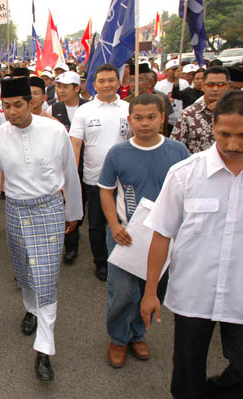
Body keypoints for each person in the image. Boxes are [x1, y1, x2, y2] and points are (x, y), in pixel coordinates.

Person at [141, 91, 243, 399]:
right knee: (187, 370)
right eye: (225, 134)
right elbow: (161, 234)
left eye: (242, 135)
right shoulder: (186, 174)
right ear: (213, 127)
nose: (233, 144)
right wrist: (150, 292)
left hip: (239, 292)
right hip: (195, 292)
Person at [0, 77, 82, 382]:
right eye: (6, 106)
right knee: (24, 273)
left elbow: (70, 173)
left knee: (47, 277)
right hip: (15, 210)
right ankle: (31, 309)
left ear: (31, 102)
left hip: (49, 208)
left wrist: (73, 212)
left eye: (18, 105)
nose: (12, 112)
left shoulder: (54, 131)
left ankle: (44, 350)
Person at [97, 94, 189, 369]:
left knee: (153, 290)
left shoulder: (178, 151)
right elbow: (106, 191)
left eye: (151, 117)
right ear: (130, 120)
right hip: (125, 234)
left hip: (163, 237)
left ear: (163, 118)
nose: (145, 123)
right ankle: (118, 337)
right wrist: (114, 225)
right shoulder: (117, 152)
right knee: (123, 292)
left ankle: (138, 333)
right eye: (138, 118)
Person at [69, 64, 131, 281]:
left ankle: (122, 260)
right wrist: (72, 177)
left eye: (111, 80)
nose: (107, 85)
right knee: (96, 224)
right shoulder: (84, 111)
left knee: (125, 221)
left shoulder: (128, 108)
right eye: (102, 81)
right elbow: (75, 144)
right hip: (94, 178)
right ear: (94, 84)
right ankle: (101, 262)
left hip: (124, 180)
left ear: (118, 82)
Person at [52, 71, 90, 264]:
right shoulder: (53, 109)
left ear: (77, 88)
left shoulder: (89, 108)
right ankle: (71, 246)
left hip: (87, 163)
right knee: (67, 204)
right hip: (63, 165)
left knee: (82, 203)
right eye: (59, 86)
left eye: (66, 87)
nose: (61, 91)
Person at [171, 66, 230, 154]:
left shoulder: (237, 112)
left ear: (228, 86)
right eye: (210, 84)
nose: (215, 89)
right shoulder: (188, 114)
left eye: (221, 84)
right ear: (203, 86)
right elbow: (175, 149)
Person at [123, 62, 173, 137]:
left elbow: (163, 128)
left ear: (150, 82)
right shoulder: (124, 103)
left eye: (139, 80)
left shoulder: (159, 100)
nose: (135, 84)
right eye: (132, 80)